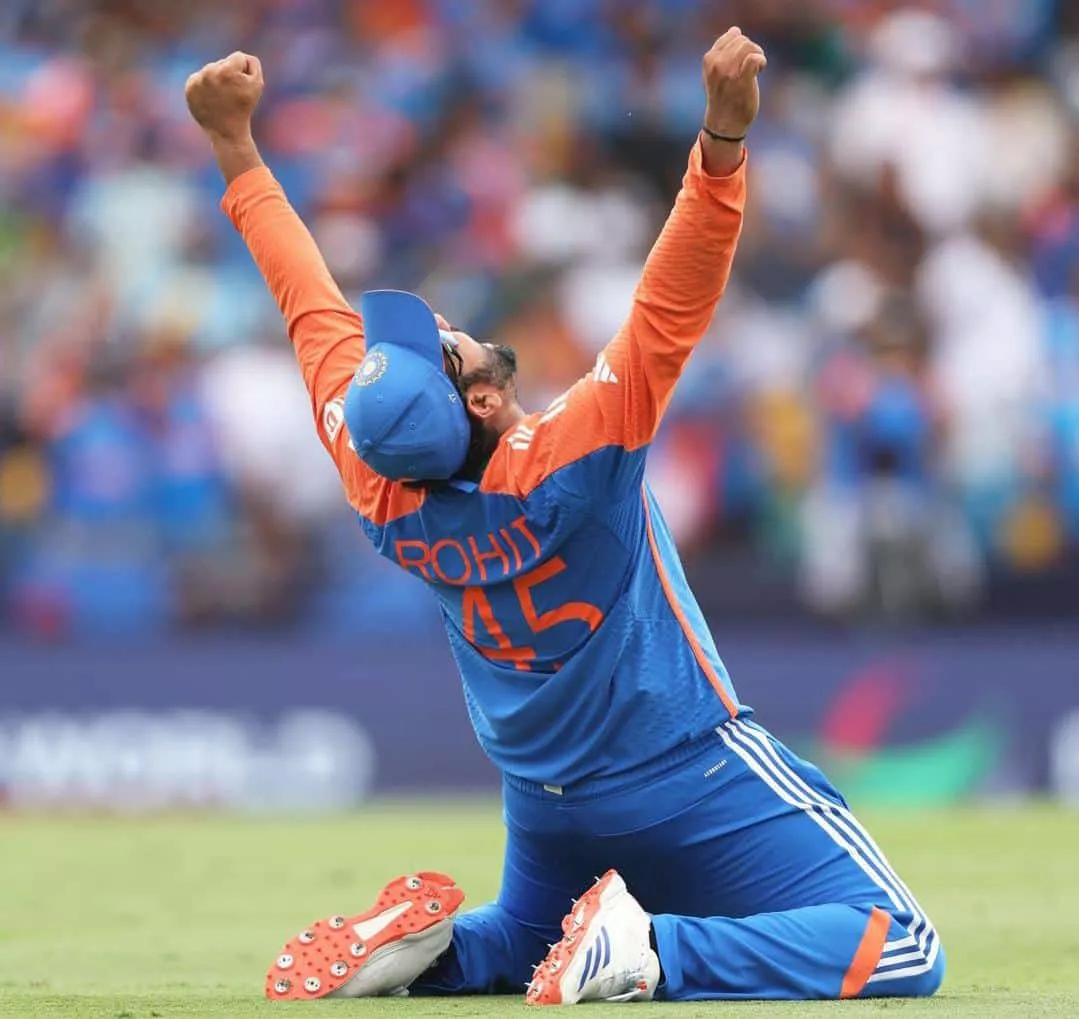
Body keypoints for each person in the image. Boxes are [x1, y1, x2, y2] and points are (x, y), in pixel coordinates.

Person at [184, 29, 945, 1006]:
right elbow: (670, 305)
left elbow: (308, 309)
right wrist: (720, 142)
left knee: (523, 936)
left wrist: (235, 150)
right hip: (681, 767)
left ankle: (431, 954)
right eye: (444, 346)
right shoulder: (576, 455)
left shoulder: (378, 479)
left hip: (546, 801)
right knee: (902, 944)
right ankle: (649, 950)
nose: (445, 324)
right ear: (479, 399)